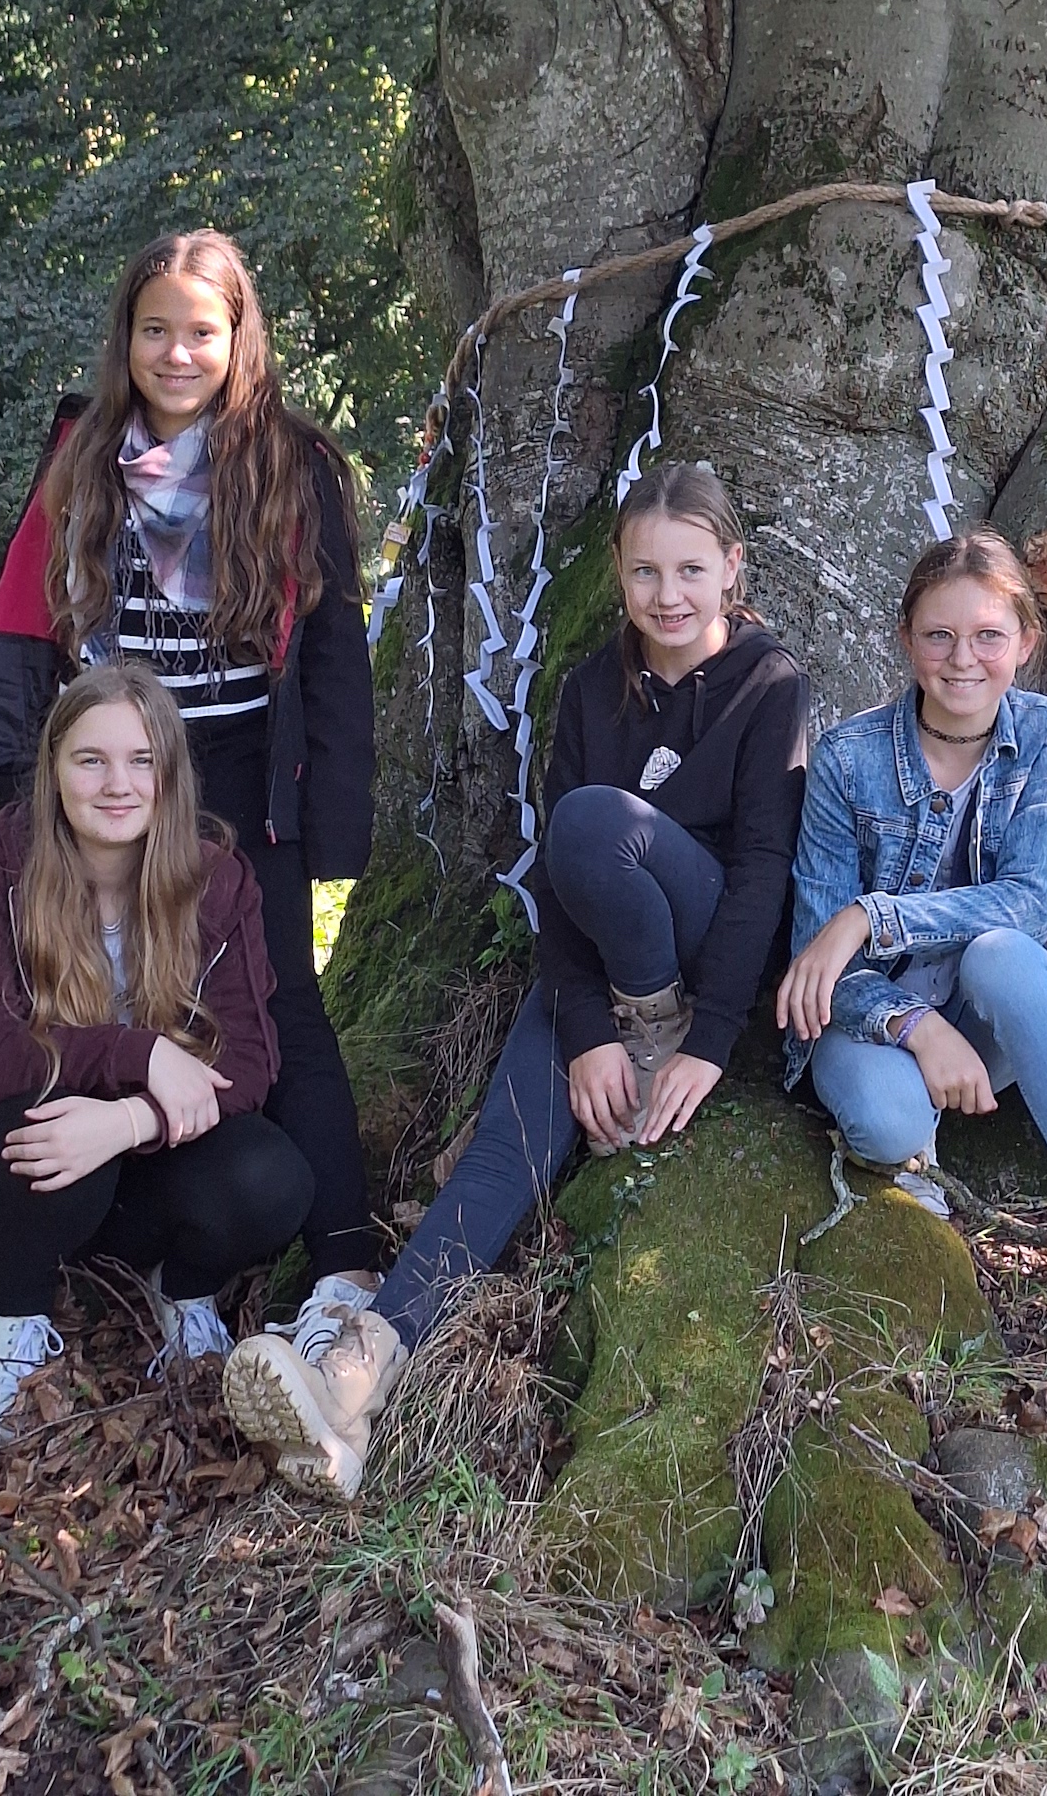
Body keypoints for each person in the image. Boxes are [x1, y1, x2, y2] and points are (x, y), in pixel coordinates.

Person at [221, 460, 810, 1501]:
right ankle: (353, 1391)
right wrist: (587, 1029)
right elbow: (556, 880)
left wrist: (710, 1035)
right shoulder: (591, 689)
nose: (666, 595)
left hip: (708, 942)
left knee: (597, 817)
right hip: (606, 979)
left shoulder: (770, 686)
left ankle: (656, 1023)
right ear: (620, 578)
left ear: (732, 567)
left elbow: (766, 869)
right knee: (505, 1150)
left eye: (688, 569)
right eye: (642, 573)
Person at [0, 230, 379, 1362]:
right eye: (154, 330)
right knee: (85, 994)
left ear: (238, 340)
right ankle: (67, 1229)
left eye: (201, 331)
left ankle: (337, 1263)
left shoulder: (289, 462)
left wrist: (335, 818)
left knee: (280, 1009)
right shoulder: (82, 453)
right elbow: (28, 615)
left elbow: (330, 648)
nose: (176, 353)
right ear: (125, 339)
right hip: (109, 765)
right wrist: (8, 791)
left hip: (237, 762)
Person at [778, 530, 1047, 1371]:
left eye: (989, 636)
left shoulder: (1042, 736)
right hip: (874, 1019)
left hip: (995, 1006)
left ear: (1027, 644)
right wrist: (915, 1023)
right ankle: (918, 1133)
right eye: (939, 636)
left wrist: (874, 915)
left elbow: (1031, 901)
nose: (964, 660)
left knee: (1002, 951)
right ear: (906, 640)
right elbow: (820, 967)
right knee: (884, 1129)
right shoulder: (847, 760)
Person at [0, 666, 313, 1426]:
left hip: (136, 1170)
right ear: (53, 770)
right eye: (90, 760)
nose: (116, 784)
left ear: (170, 774)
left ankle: (181, 1286)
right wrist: (143, 1057)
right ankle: (10, 1319)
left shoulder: (218, 882)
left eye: (141, 761)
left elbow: (251, 1068)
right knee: (57, 1124)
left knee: (274, 1178)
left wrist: (130, 1121)